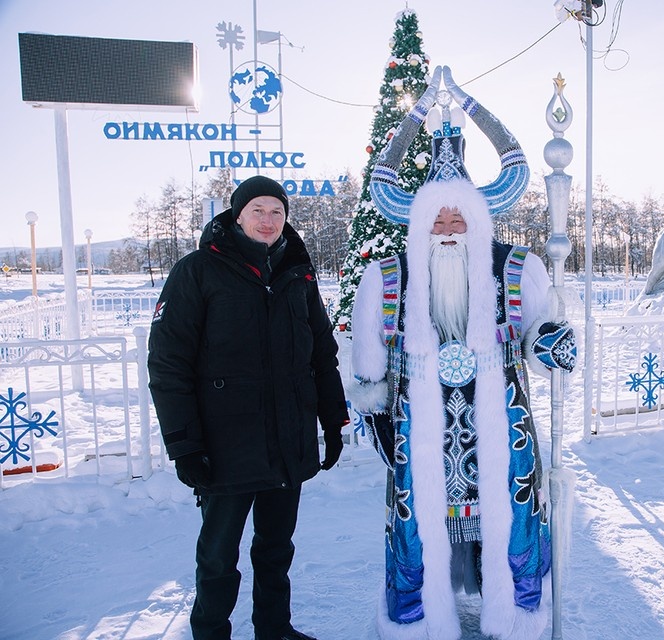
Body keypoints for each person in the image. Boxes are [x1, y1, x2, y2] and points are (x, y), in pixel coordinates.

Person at [349, 66, 576, 640]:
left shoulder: (517, 268)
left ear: (477, 220)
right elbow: (368, 351)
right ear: (420, 223)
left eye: (459, 218)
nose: (448, 229)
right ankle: (415, 620)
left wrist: (552, 341)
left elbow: (539, 330)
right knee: (415, 520)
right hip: (418, 419)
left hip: (501, 418)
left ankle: (519, 614)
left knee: (514, 514)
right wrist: (373, 391)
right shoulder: (389, 275)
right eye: (438, 219)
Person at [147, 175, 349, 640]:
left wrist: (333, 420)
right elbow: (168, 364)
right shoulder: (197, 271)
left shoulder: (298, 271)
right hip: (225, 448)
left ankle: (274, 630)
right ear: (236, 215)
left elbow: (321, 352)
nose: (268, 219)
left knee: (276, 549)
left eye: (277, 211)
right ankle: (211, 633)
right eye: (257, 209)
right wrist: (184, 445)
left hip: (287, 441)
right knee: (218, 557)